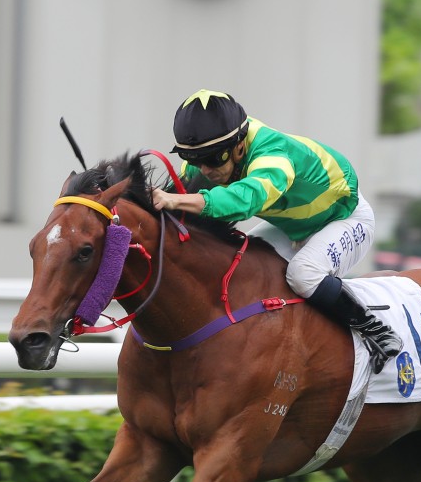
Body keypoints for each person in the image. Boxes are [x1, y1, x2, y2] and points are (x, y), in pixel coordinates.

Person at [151, 89, 402, 372]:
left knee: (303, 274)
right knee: (242, 267)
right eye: (195, 159)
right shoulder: (207, 161)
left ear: (239, 146)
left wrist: (178, 199)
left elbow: (246, 200)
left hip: (344, 218)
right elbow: (178, 205)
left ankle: (377, 331)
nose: (205, 170)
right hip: (291, 224)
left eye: (213, 158)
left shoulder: (273, 153)